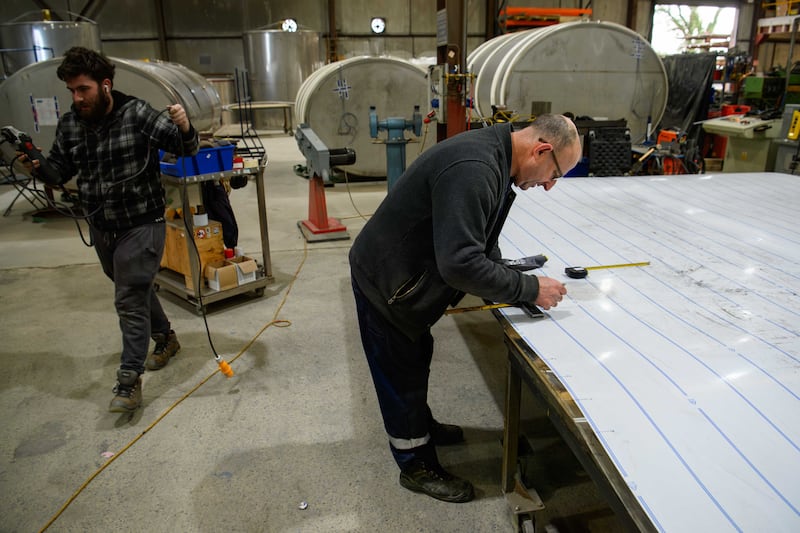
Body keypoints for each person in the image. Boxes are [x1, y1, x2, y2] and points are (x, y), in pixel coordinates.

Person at [349, 114, 582, 503]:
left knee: (417, 354)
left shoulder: (495, 155)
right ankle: (414, 463)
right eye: (554, 172)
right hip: (387, 285)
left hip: (407, 277)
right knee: (399, 371)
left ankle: (419, 424)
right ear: (541, 149)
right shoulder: (475, 168)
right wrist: (527, 289)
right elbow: (459, 264)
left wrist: (502, 272)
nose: (548, 185)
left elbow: (479, 239)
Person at [26, 47, 199, 413]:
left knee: (128, 299)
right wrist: (37, 166)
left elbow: (184, 147)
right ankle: (166, 338)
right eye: (72, 90)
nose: (77, 98)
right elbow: (60, 172)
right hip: (101, 225)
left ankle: (128, 380)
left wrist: (184, 125)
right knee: (130, 287)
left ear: (105, 85)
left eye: (83, 89)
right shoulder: (72, 123)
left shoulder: (136, 113)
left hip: (141, 221)